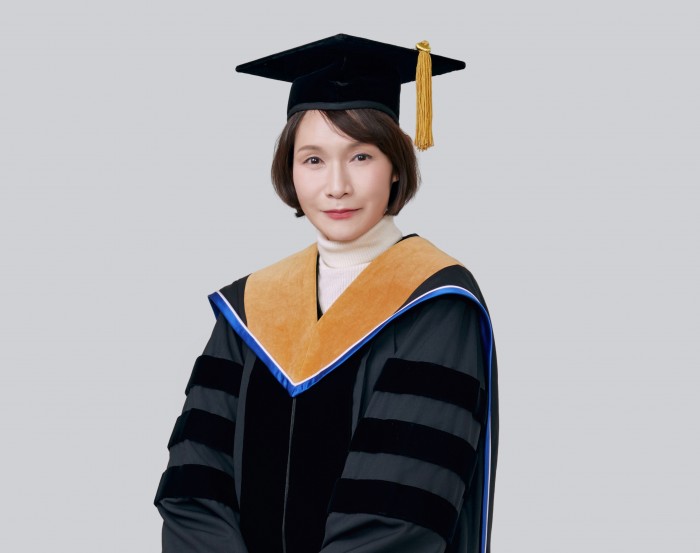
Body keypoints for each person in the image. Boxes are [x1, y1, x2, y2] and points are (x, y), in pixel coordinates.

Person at [154, 34, 499, 553]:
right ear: (289, 172)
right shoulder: (249, 306)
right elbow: (194, 480)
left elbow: (402, 512)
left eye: (360, 156)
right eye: (313, 160)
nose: (337, 186)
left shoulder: (435, 302)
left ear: (396, 167)